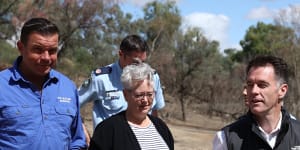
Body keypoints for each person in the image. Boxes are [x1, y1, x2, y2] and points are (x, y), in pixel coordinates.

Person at [0, 18, 86, 149]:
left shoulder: (68, 87)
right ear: (21, 48)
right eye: (38, 50)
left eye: (52, 51)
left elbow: (77, 139)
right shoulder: (2, 86)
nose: (46, 57)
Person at [78, 35, 165, 139]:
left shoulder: (152, 77)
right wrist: (83, 132)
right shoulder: (101, 79)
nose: (140, 67)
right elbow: (71, 105)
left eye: (143, 62)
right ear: (121, 54)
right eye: (135, 62)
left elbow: (154, 111)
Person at [213, 55, 300, 150]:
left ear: (282, 91)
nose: (254, 91)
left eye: (262, 85)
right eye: (250, 84)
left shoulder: (297, 133)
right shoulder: (226, 138)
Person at [88, 62, 174, 150]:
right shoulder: (107, 130)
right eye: (139, 95)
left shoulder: (161, 128)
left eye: (149, 94)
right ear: (125, 95)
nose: (145, 100)